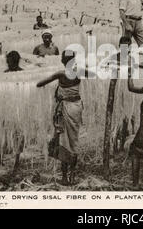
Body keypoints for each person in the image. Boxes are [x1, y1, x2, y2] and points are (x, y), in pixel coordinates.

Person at [36, 50, 94, 186]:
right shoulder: (79, 72)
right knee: (73, 141)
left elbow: (40, 84)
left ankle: (64, 177)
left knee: (63, 141)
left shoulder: (60, 74)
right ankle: (72, 176)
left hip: (65, 108)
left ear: (62, 61)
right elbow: (92, 74)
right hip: (76, 108)